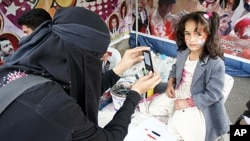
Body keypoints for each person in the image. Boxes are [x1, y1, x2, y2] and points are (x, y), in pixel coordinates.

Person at [0, 7, 161, 141]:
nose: (102, 60)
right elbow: (109, 138)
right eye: (98, 57)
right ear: (81, 57)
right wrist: (135, 94)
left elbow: (82, 92)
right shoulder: (53, 103)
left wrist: (120, 68)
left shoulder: (21, 68)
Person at [149, 11, 230, 141]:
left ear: (208, 35)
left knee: (177, 126)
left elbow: (213, 94)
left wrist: (188, 102)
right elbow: (175, 68)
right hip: (179, 92)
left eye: (198, 34)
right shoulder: (183, 52)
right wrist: (170, 82)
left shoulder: (215, 63)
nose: (191, 39)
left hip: (198, 102)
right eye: (188, 33)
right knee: (153, 108)